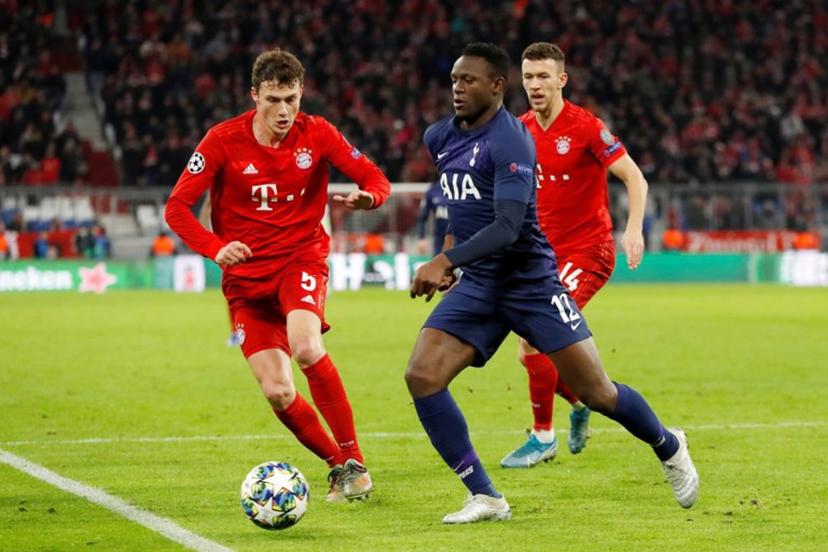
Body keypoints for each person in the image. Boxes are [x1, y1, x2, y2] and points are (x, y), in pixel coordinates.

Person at [405, 43, 698, 524]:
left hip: (532, 281)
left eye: (469, 81)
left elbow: (507, 226)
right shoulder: (439, 137)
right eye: (454, 80)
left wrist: (444, 258)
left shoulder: (514, 140)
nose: (457, 88)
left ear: (498, 86)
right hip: (480, 282)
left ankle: (668, 444)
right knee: (422, 376)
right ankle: (485, 495)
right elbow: (466, 208)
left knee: (598, 393)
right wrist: (456, 261)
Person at [165, 49, 390, 502]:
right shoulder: (221, 141)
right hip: (246, 282)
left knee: (307, 347)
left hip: (299, 260)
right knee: (278, 391)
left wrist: (371, 198)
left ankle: (355, 461)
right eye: (273, 99)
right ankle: (337, 467)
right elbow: (176, 208)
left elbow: (374, 177)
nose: (284, 110)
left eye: (291, 98)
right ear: (254, 96)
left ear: (301, 93)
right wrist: (215, 247)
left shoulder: (319, 133)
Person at [500, 42, 650, 467]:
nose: (535, 85)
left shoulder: (585, 127)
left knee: (532, 337)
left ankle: (542, 437)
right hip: (543, 255)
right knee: (538, 349)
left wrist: (633, 228)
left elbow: (634, 178)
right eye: (528, 77)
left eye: (543, 76)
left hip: (589, 249)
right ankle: (580, 401)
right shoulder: (519, 130)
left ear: (561, 79)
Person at [415, 180, 450, 256]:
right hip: (440, 238)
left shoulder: (463, 187)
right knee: (439, 264)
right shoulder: (433, 191)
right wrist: (421, 237)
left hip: (460, 236)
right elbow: (423, 217)